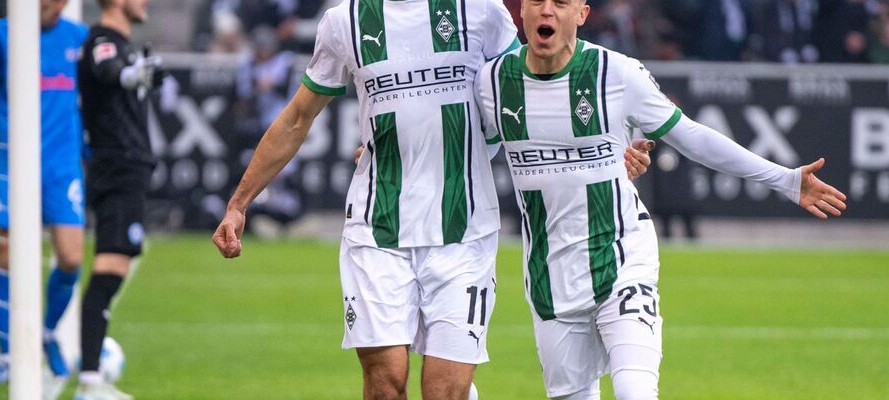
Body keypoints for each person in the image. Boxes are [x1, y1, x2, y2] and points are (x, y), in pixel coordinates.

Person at [210, 0, 652, 398]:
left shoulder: (480, 13)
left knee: (445, 392)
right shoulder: (344, 21)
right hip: (377, 228)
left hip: (464, 233)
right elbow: (297, 117)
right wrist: (239, 202)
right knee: (385, 384)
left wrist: (614, 151)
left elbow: (531, 90)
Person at [474, 0, 848, 397]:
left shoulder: (616, 73)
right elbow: (476, 154)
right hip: (550, 276)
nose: (547, 11)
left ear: (581, 14)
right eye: (536, 1)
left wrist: (784, 179)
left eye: (561, 3)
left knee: (635, 392)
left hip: (622, 260)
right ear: (522, 12)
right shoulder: (492, 83)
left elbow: (693, 137)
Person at [0, 0, 87, 388]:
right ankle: (8, 355)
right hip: (12, 160)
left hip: (62, 165)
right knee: (8, 254)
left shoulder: (79, 38)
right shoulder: (1, 35)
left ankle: (46, 331)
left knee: (70, 257)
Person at [74, 0, 162, 396]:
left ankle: (90, 376)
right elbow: (110, 71)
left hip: (128, 169)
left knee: (115, 268)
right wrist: (131, 75)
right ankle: (90, 381)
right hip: (116, 169)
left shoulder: (122, 44)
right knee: (108, 272)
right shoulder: (102, 41)